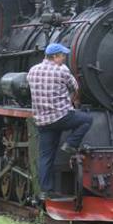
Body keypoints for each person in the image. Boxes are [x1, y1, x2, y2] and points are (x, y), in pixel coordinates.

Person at [27, 43, 93, 199]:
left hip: (42, 121)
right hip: (61, 117)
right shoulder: (62, 70)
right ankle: (70, 144)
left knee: (46, 156)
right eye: (62, 56)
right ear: (55, 56)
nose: (64, 58)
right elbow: (75, 87)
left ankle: (46, 190)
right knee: (86, 120)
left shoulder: (33, 71)